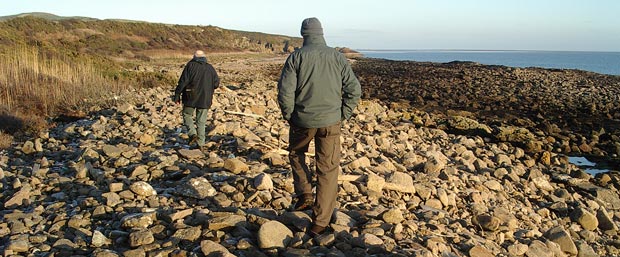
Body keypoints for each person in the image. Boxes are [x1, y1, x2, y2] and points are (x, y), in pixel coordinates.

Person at [277, 17, 362, 237]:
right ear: (322, 33)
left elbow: (285, 92)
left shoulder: (296, 57)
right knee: (327, 169)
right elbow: (354, 90)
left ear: (303, 34)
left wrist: (290, 115)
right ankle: (320, 222)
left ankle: (305, 194)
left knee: (297, 154)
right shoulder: (337, 57)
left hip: (301, 121)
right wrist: (343, 114)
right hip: (330, 122)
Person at [174, 50, 220, 149]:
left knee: (187, 115)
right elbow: (216, 84)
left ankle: (192, 134)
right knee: (201, 122)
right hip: (205, 99)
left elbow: (183, 82)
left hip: (190, 96)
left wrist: (177, 94)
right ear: (204, 57)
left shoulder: (190, 66)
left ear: (194, 57)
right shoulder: (210, 68)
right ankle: (201, 144)